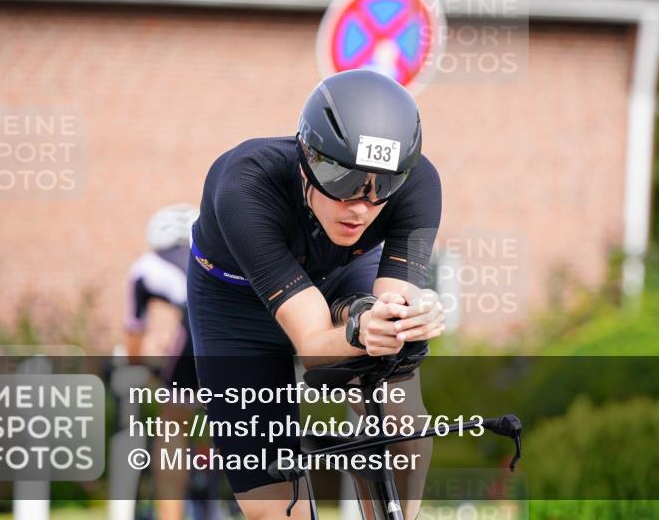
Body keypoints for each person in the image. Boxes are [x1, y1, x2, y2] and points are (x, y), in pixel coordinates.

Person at [188, 69, 445, 520]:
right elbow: (313, 345)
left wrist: (405, 321)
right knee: (276, 506)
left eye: (382, 185)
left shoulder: (420, 184)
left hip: (339, 276)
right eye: (344, 182)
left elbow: (393, 305)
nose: (361, 206)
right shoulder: (245, 184)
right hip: (235, 306)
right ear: (308, 160)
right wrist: (362, 332)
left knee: (402, 422)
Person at [125, 203, 201, 520]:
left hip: (192, 336)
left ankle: (171, 515)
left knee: (172, 424)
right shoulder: (213, 258)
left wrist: (140, 369)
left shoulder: (145, 266)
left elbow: (133, 333)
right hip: (234, 338)